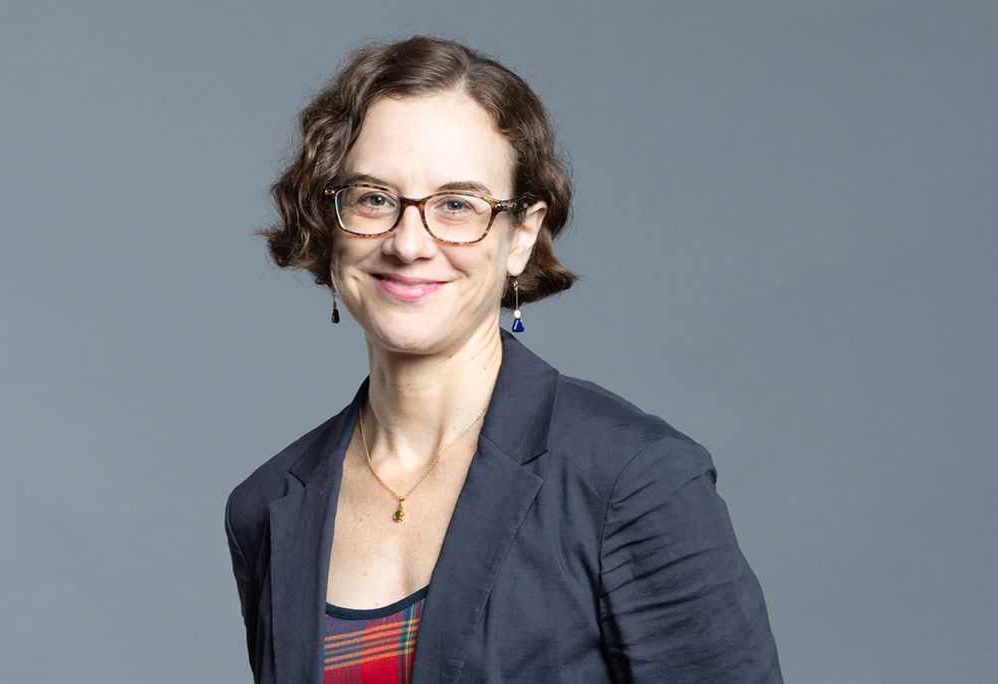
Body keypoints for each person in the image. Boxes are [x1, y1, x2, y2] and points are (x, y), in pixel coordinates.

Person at [224, 35, 784, 683]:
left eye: (457, 205)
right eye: (374, 198)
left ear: (520, 237)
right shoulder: (267, 506)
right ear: (331, 220)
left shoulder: (634, 479)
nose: (410, 243)